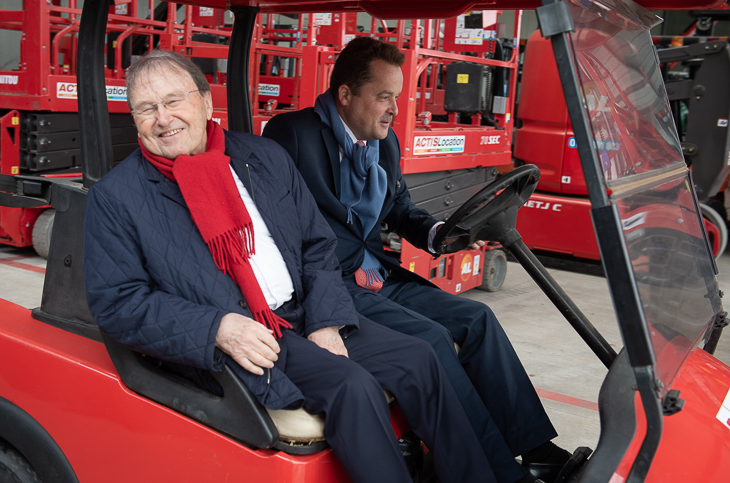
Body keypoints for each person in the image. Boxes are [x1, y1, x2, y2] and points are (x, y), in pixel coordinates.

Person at [82, 49, 503, 483]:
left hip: (302, 313)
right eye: (146, 109)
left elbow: (316, 244)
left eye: (173, 101)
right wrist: (217, 328)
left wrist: (325, 321)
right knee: (352, 388)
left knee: (420, 356)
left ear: (206, 102)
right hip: (244, 337)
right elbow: (119, 304)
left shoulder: (261, 157)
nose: (163, 118)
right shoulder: (118, 197)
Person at [263, 37, 572, 483]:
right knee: (429, 339)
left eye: (398, 97)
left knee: (477, 318)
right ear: (346, 95)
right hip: (328, 281)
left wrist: (438, 234)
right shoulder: (293, 135)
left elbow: (400, 209)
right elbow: (284, 225)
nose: (393, 109)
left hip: (374, 272)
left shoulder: (383, 145)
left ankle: (538, 449)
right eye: (384, 97)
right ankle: (498, 472)